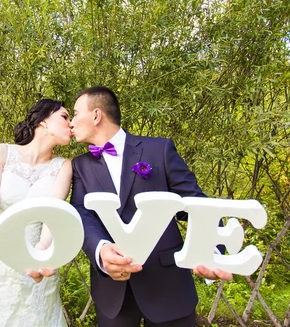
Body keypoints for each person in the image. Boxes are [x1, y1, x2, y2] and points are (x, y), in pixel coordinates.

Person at [70, 86, 232, 327]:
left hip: (168, 286)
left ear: (96, 115)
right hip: (113, 294)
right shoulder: (80, 165)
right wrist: (102, 252)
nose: (71, 123)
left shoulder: (159, 149)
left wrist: (212, 250)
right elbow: (82, 215)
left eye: (74, 113)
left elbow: (196, 202)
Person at [0, 99, 73, 327]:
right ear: (44, 121)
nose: (71, 123)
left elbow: (51, 217)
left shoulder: (63, 166)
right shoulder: (2, 153)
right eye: (65, 117)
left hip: (37, 264)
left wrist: (42, 253)